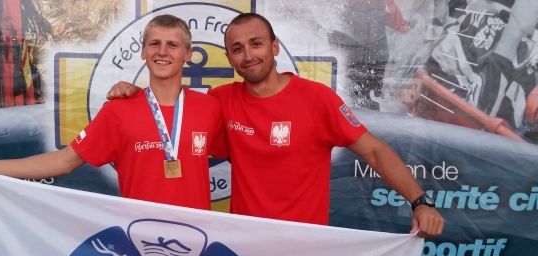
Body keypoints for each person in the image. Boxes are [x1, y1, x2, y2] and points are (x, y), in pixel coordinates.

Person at [107, 12, 444, 237]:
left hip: (303, 248)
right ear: (230, 58)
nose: (248, 55)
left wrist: (420, 202)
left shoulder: (316, 99)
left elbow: (374, 150)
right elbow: (169, 114)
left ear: (274, 46)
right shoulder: (221, 101)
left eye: (256, 44)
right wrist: (133, 93)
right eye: (237, 49)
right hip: (245, 248)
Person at [0, 14, 226, 210]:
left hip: (199, 240)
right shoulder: (119, 109)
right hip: (139, 238)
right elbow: (64, 161)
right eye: (154, 44)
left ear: (187, 54)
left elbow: (246, 147)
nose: (162, 52)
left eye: (173, 45)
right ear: (143, 51)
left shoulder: (210, 108)